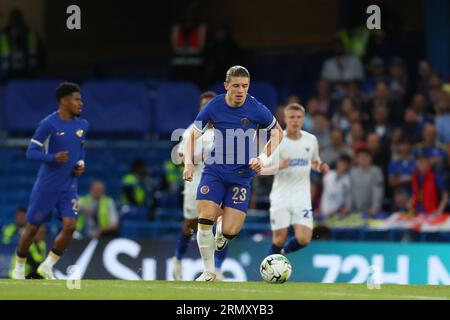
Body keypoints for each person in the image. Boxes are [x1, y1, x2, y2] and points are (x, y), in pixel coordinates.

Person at [183, 66, 283, 281]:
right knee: (205, 217)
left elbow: (278, 133)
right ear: (226, 85)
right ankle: (209, 271)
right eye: (236, 85)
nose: (240, 90)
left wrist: (262, 158)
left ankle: (222, 232)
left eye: (245, 86)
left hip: (241, 175)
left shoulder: (256, 108)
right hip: (215, 171)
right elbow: (192, 135)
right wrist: (188, 164)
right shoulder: (214, 105)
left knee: (230, 231)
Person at [11, 82, 88, 280]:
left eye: (81, 99)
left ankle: (48, 265)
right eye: (77, 99)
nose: (81, 103)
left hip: (69, 185)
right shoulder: (49, 124)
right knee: (32, 227)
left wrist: (80, 164)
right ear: (64, 101)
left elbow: (80, 149)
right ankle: (19, 266)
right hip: (47, 186)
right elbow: (31, 152)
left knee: (71, 226)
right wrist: (53, 157)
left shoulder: (82, 125)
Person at [172, 91, 229, 281]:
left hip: (219, 181)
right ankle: (178, 259)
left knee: (222, 223)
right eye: (204, 105)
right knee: (190, 224)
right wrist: (199, 157)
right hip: (194, 183)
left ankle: (217, 268)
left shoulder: (226, 131)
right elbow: (178, 159)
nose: (207, 109)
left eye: (210, 105)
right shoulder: (191, 131)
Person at [260, 103, 329, 255]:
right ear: (285, 119)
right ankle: (269, 265)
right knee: (279, 238)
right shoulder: (277, 141)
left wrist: (320, 166)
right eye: (292, 117)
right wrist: (279, 166)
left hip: (301, 198)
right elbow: (260, 170)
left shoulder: (310, 140)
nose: (295, 121)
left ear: (303, 119)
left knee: (304, 239)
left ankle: (281, 255)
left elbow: (314, 161)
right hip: (281, 197)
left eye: (299, 117)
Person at [349, 148, 384, 216]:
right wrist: (349, 207)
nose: (363, 159)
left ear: (371, 158)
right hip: (355, 210)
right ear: (356, 159)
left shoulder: (377, 171)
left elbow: (378, 191)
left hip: (372, 211)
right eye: (361, 157)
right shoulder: (352, 172)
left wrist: (375, 208)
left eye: (366, 157)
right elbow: (350, 192)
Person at [319, 154, 352, 218]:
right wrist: (319, 208)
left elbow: (346, 199)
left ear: (348, 166)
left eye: (345, 164)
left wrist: (338, 211)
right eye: (341, 162)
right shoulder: (328, 175)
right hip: (324, 210)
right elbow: (323, 193)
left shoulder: (348, 180)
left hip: (336, 214)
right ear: (337, 162)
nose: (342, 165)